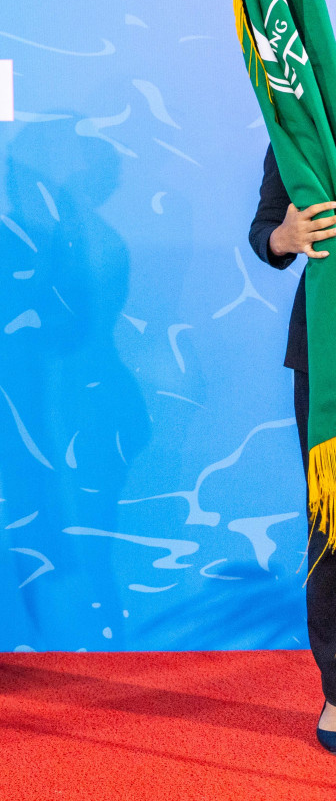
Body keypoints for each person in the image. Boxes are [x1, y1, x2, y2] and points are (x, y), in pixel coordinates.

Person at [248, 143, 336, 752]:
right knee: (333, 525)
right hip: (328, 354)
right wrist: (285, 236)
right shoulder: (303, 116)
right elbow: (264, 232)